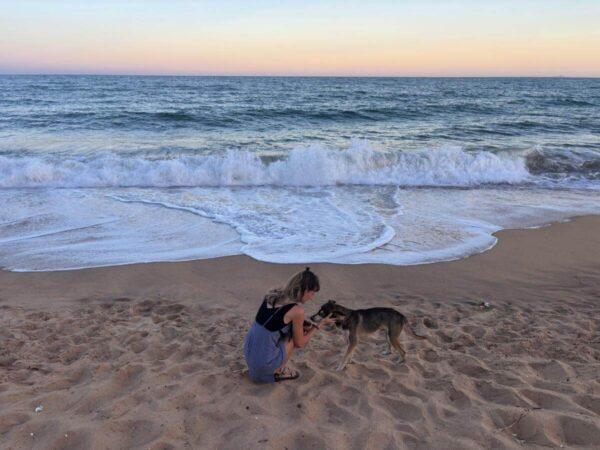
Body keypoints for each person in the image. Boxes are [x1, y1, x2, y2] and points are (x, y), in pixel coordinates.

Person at [243, 267, 334, 382]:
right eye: (311, 293)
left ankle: (269, 366)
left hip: (249, 352)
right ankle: (278, 371)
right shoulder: (297, 311)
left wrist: (301, 323)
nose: (312, 297)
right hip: (263, 364)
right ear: (303, 290)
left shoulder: (271, 295)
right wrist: (319, 325)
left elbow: (274, 319)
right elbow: (300, 343)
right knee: (292, 339)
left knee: (288, 331)